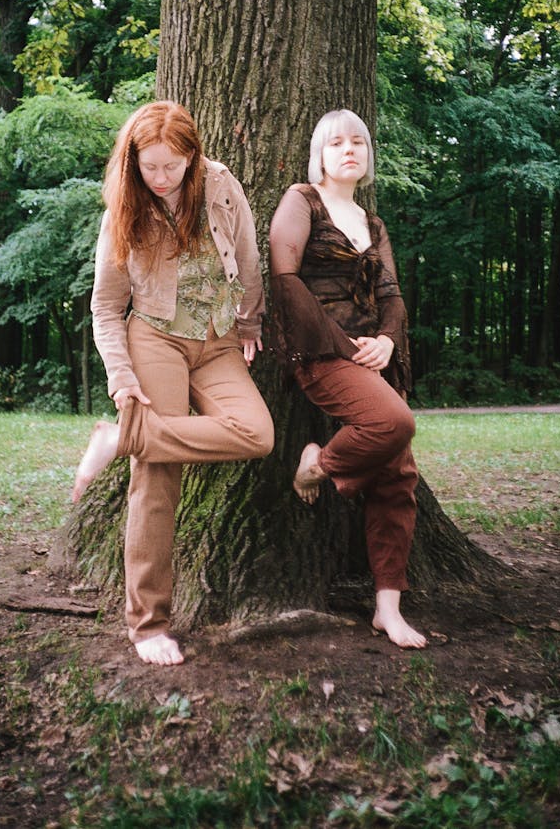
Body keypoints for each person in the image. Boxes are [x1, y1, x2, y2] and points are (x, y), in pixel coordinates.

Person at [72, 101, 274, 666]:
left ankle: (121, 438)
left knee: (258, 434)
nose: (160, 178)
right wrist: (121, 377)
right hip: (154, 338)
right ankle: (149, 623)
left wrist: (251, 322)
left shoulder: (221, 185)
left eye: (172, 166)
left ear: (193, 155)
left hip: (216, 342)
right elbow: (106, 307)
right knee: (157, 478)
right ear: (133, 161)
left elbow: (251, 257)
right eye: (149, 167)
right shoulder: (124, 209)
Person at [268, 109, 426, 649]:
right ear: (321, 154)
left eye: (358, 141)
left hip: (374, 357)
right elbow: (286, 282)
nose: (349, 150)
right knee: (394, 421)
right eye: (336, 143)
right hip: (320, 351)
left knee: (397, 478)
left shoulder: (372, 223)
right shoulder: (302, 201)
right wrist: (343, 346)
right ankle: (320, 465)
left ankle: (387, 606)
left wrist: (386, 340)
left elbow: (392, 297)